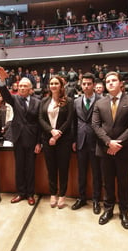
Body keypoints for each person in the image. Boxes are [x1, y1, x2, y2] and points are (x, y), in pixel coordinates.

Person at [92, 71, 128, 228]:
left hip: (123, 149)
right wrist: (108, 143)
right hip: (105, 149)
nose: (110, 83)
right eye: (108, 81)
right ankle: (108, 210)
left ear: (121, 83)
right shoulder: (100, 103)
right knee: (107, 182)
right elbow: (95, 125)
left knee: (123, 182)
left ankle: (124, 212)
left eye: (114, 80)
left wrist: (117, 143)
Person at [0, 66, 42, 206]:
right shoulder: (14, 99)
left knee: (30, 168)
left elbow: (40, 124)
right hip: (18, 139)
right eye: (20, 86)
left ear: (30, 88)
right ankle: (21, 193)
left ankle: (30, 194)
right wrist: (3, 81)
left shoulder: (38, 102)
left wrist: (39, 142)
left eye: (25, 86)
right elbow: (5, 94)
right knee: (19, 167)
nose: (21, 88)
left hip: (31, 139)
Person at [39, 76, 73, 209]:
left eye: (56, 83)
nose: (53, 85)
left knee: (63, 169)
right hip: (47, 139)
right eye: (51, 83)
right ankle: (53, 193)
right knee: (51, 168)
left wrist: (57, 134)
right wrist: (51, 131)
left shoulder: (68, 101)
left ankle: (62, 195)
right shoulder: (44, 101)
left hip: (63, 140)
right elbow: (40, 118)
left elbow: (69, 120)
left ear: (61, 85)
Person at [71, 73, 103, 214]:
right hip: (80, 141)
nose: (86, 86)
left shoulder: (102, 100)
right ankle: (81, 197)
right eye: (84, 84)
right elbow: (73, 123)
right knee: (81, 173)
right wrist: (73, 140)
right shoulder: (76, 101)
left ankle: (96, 200)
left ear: (94, 85)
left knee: (97, 174)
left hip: (96, 142)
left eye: (89, 84)